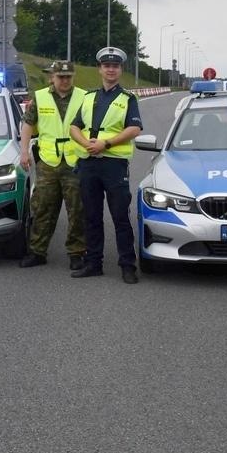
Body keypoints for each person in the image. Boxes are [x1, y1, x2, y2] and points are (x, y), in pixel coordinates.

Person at [68, 46, 143, 283]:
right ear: (100, 69)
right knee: (91, 216)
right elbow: (74, 126)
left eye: (115, 66)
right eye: (107, 65)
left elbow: (134, 128)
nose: (111, 69)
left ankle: (127, 265)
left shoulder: (128, 99)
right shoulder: (89, 97)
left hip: (114, 165)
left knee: (120, 216)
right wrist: (87, 144)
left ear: (120, 70)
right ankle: (93, 263)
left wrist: (106, 144)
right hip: (89, 163)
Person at [18, 60, 87, 270]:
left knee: (77, 209)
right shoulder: (40, 97)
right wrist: (24, 151)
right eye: (60, 77)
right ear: (52, 78)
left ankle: (76, 253)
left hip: (75, 160)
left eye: (68, 77)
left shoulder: (84, 97)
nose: (64, 81)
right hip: (48, 161)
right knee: (42, 208)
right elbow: (28, 125)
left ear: (73, 77)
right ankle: (37, 251)